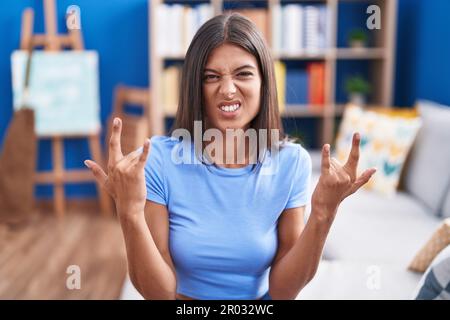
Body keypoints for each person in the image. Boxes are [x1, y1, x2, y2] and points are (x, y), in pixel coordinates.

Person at [84, 13, 376, 300]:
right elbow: (159, 294)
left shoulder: (291, 163)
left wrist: (324, 213)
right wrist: (129, 212)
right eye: (211, 77)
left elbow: (284, 292)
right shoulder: (159, 161)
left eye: (243, 74)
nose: (227, 89)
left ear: (264, 82)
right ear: (195, 88)